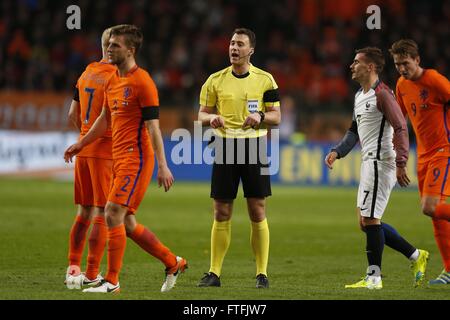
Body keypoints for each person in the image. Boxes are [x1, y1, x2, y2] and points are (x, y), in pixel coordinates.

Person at [64, 24, 186, 293]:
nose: (109, 48)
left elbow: (154, 128)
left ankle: (111, 281)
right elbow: (103, 119)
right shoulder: (112, 80)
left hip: (136, 159)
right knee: (127, 224)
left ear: (130, 50)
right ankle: (172, 262)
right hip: (117, 157)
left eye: (115, 45)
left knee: (111, 212)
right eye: (109, 44)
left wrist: (163, 166)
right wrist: (80, 143)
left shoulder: (143, 82)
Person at [325, 47, 429, 289]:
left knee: (371, 219)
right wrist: (337, 151)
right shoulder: (360, 96)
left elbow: (401, 127)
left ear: (370, 67)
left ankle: (374, 278)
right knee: (366, 222)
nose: (351, 66)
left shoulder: (382, 95)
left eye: (356, 62)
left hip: (382, 162)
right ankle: (416, 255)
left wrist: (402, 163)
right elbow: (353, 132)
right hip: (368, 161)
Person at [197, 28, 281, 288]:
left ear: (251, 50)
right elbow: (201, 114)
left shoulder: (266, 80)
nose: (234, 48)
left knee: (257, 209)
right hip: (225, 146)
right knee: (221, 211)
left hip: (254, 147)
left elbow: (277, 118)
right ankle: (214, 273)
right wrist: (210, 118)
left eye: (240, 44)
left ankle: (262, 274)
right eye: (232, 43)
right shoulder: (215, 80)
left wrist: (261, 118)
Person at [390, 39, 450, 285]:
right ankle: (449, 270)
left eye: (406, 63)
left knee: (430, 207)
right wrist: (400, 161)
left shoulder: (434, 80)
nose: (402, 69)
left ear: (417, 60)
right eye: (397, 64)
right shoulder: (402, 84)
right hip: (423, 156)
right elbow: (399, 123)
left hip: (443, 151)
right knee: (434, 215)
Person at [65, 27, 116, 290]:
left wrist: (82, 140)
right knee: (101, 212)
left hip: (83, 149)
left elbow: (73, 113)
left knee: (83, 211)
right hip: (103, 151)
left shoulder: (87, 72)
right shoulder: (116, 76)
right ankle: (92, 272)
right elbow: (108, 119)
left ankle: (73, 266)